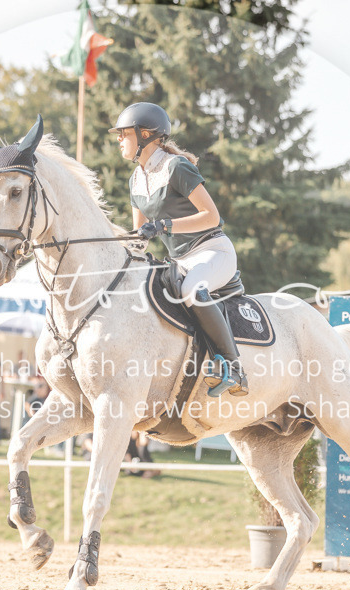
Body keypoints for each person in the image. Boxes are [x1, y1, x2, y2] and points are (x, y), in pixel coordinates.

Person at [109, 102, 246, 396]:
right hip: (180, 261)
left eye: (124, 133)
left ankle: (234, 369)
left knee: (192, 289)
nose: (119, 139)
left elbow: (212, 217)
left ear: (144, 135)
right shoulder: (135, 179)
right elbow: (139, 236)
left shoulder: (176, 167)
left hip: (212, 251)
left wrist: (164, 225)